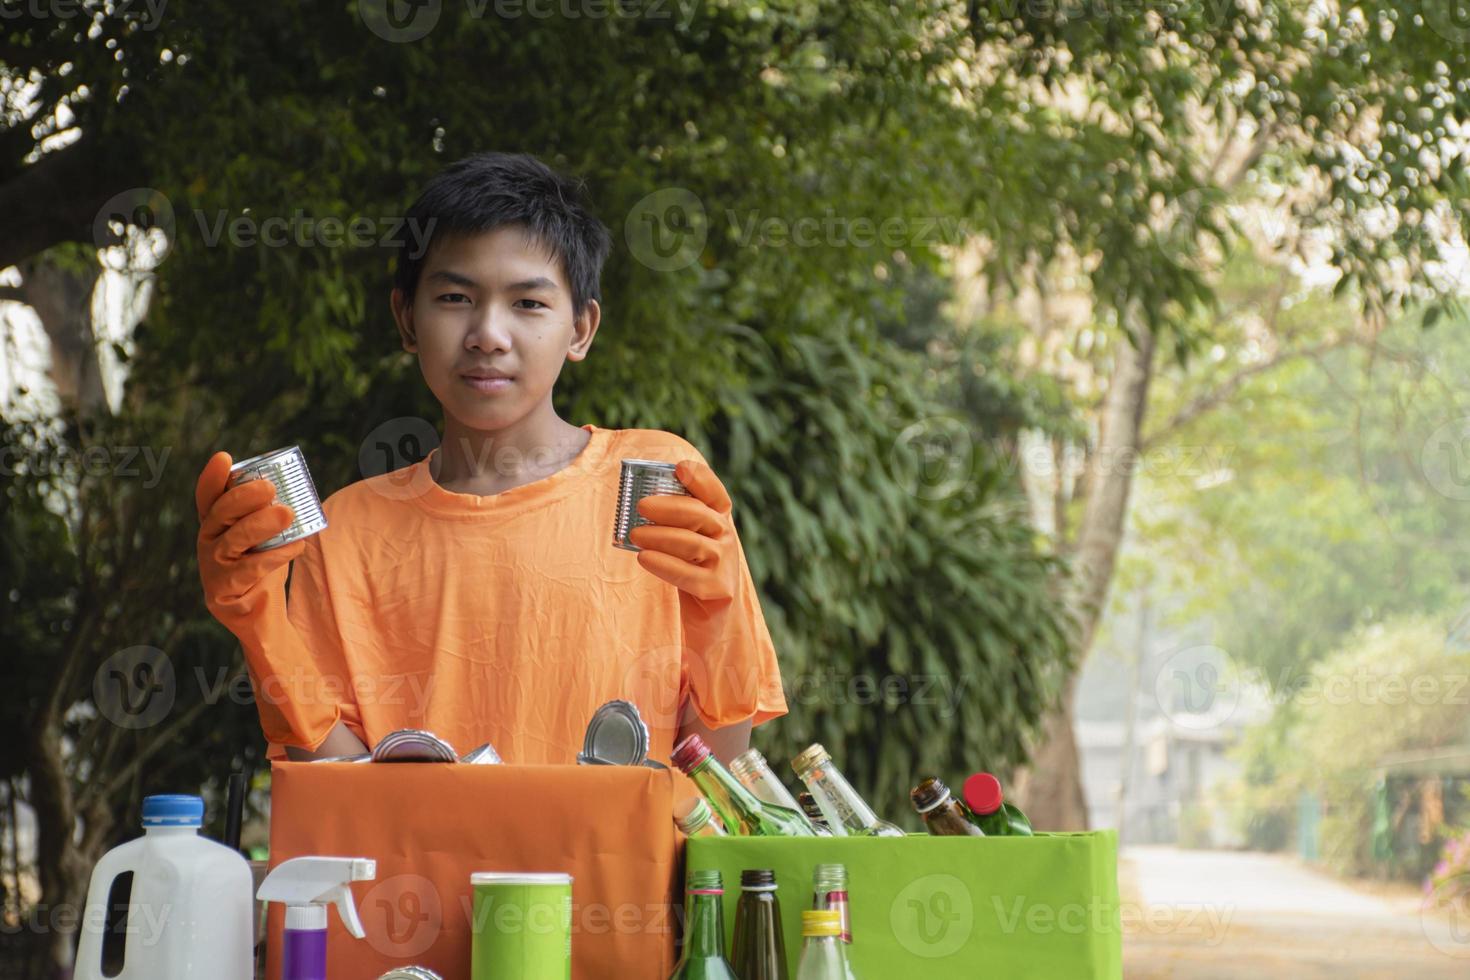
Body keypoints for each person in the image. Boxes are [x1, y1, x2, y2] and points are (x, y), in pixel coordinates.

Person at [194, 152, 786, 767]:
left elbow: (716, 775)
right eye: (454, 296)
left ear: (581, 329)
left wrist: (722, 622)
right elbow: (341, 785)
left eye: (529, 304)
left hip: (623, 864)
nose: (488, 335)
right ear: (406, 318)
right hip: (418, 867)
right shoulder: (345, 532)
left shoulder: (659, 488)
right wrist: (259, 625)